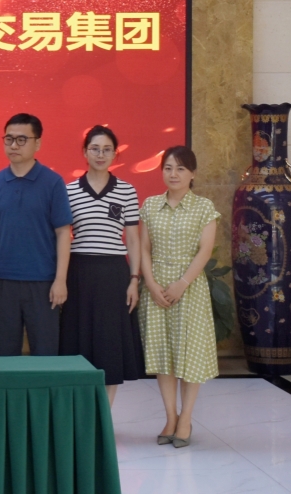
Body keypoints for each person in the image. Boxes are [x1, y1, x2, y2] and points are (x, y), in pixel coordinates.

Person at [0, 113, 73, 357]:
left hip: (43, 283)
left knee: (45, 354)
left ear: (37, 143)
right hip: (2, 282)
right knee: (6, 355)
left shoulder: (52, 182)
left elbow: (63, 232)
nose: (14, 145)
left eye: (21, 139)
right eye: (9, 139)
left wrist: (60, 280)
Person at [59, 125, 145, 405]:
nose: (100, 154)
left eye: (107, 149)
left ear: (115, 154)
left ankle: (104, 415)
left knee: (109, 345)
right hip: (78, 273)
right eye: (95, 149)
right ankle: (82, 411)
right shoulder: (69, 191)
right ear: (85, 152)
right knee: (79, 342)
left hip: (114, 274)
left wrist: (134, 279)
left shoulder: (126, 191)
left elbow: (132, 239)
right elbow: (62, 236)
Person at [140, 146, 219, 449]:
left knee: (189, 354)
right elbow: (144, 248)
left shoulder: (204, 207)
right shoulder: (150, 205)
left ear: (192, 173)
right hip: (157, 289)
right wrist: (151, 283)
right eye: (168, 168)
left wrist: (182, 284)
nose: (173, 174)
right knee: (164, 356)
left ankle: (185, 418)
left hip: (190, 289)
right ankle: (170, 417)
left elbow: (205, 251)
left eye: (181, 169)